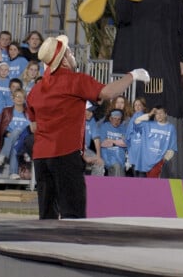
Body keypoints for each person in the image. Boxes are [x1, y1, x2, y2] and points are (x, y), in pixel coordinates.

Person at [27, 33, 150, 219]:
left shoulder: (36, 90)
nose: (72, 56)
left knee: (47, 215)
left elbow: (34, 126)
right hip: (65, 153)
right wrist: (131, 76)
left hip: (41, 157)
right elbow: (108, 93)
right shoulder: (75, 80)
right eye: (69, 53)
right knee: (73, 213)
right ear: (64, 61)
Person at [111, 0, 183, 178]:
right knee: (139, 117)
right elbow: (122, 17)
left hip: (164, 68)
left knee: (164, 117)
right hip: (137, 66)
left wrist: (181, 60)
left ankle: (166, 180)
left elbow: (182, 29)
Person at [0, 88, 32, 179]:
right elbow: (2, 128)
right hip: (10, 139)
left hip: (24, 140)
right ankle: (13, 173)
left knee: (18, 132)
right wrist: (8, 133)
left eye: (22, 97)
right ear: (13, 98)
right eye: (17, 96)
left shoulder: (29, 113)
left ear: (25, 99)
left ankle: (3, 155)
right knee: (15, 140)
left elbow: (30, 128)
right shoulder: (7, 111)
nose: (19, 99)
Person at [131, 105, 178, 177]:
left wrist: (164, 159)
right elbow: (136, 121)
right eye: (157, 113)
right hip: (145, 161)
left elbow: (172, 147)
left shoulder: (171, 128)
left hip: (158, 162)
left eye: (161, 113)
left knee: (153, 184)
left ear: (166, 114)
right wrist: (149, 114)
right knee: (141, 185)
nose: (159, 115)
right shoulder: (149, 125)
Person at [99, 108, 128, 177]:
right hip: (108, 157)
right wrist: (119, 142)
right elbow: (102, 143)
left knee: (121, 175)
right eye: (114, 118)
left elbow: (125, 143)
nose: (116, 121)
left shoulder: (124, 128)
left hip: (121, 158)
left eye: (119, 119)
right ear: (110, 118)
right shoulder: (104, 126)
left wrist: (111, 141)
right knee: (116, 167)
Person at [83, 102, 104, 176]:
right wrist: (84, 157)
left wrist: (98, 156)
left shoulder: (92, 120)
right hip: (74, 151)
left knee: (99, 163)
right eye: (88, 111)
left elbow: (96, 139)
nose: (91, 114)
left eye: (92, 111)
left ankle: (96, 186)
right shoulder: (75, 120)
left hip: (86, 150)